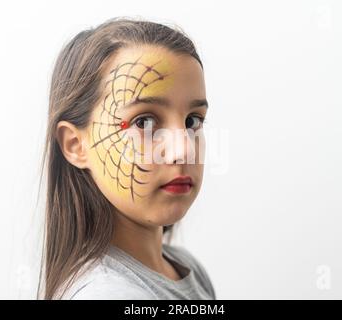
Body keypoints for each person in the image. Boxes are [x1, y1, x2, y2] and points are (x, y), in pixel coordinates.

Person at [38, 16, 215, 300]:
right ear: (75, 145)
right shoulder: (107, 293)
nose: (183, 149)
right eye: (144, 122)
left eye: (193, 120)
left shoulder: (186, 268)